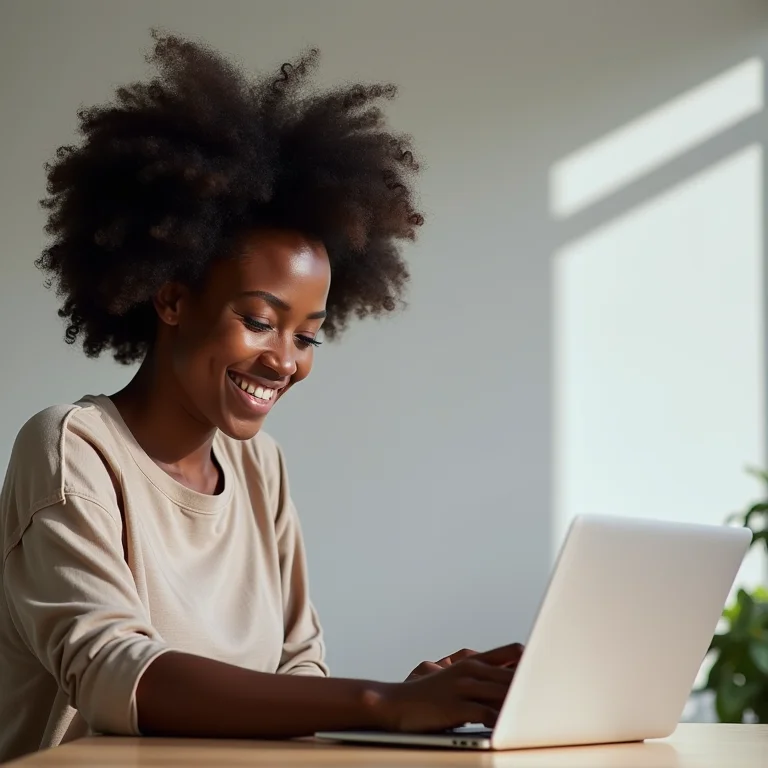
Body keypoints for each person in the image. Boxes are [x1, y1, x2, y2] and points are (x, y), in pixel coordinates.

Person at [0, 32, 523, 762]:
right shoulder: (73, 449)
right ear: (171, 298)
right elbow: (113, 673)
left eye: (307, 336)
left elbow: (298, 673)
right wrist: (381, 704)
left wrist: (403, 706)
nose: (284, 361)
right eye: (258, 320)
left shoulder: (259, 467)